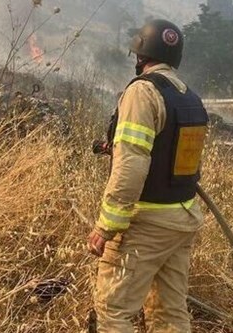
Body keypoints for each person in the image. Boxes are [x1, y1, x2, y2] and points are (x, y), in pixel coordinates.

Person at [87, 19, 208, 332]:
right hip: (182, 220)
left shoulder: (143, 92)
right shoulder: (189, 98)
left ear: (140, 56)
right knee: (170, 313)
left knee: (114, 312)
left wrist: (107, 225)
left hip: (146, 225)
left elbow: (132, 163)